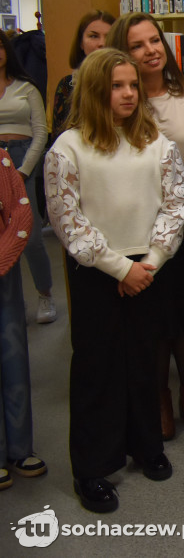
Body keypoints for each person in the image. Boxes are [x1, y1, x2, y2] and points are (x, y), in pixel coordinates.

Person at [45, 48, 184, 513]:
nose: (128, 94)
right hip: (98, 271)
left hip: (148, 268)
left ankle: (147, 445)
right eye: (116, 87)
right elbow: (68, 220)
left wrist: (149, 261)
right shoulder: (68, 148)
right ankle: (92, 467)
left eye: (132, 85)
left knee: (144, 362)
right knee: (97, 369)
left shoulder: (157, 143)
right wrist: (119, 268)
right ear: (94, 91)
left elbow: (176, 204)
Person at [106, 12, 184, 441]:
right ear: (123, 52)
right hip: (141, 230)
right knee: (152, 320)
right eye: (138, 45)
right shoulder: (123, 99)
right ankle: (160, 399)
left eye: (155, 40)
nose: (150, 50)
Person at [0, 30, 56, 324]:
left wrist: (22, 171)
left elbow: (40, 132)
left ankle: (45, 294)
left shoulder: (26, 88)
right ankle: (10, 303)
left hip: (23, 159)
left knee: (31, 236)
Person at [0, 147, 47, 491]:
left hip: (4, 267)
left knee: (13, 354)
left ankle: (19, 448)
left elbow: (19, 210)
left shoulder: (1, 158)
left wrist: (3, 256)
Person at [51, 9, 115, 135]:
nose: (102, 43)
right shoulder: (67, 85)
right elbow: (58, 136)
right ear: (81, 43)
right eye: (93, 36)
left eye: (109, 36)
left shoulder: (129, 84)